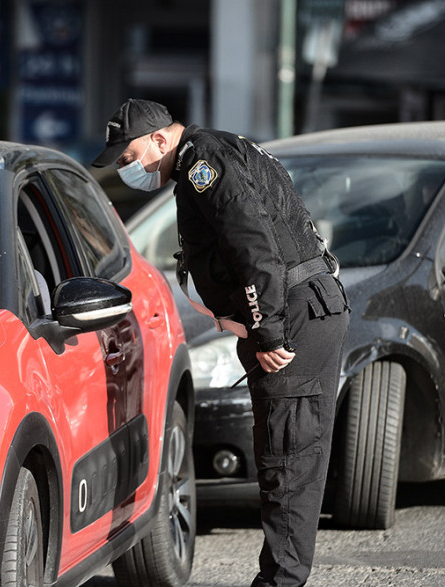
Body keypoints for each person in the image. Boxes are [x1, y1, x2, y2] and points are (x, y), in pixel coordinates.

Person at [92, 99, 350, 586]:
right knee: (288, 457)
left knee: (287, 461)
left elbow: (253, 245)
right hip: (299, 306)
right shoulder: (207, 154)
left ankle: (280, 581)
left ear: (161, 140)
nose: (128, 169)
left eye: (129, 158)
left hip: (292, 314)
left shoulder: (202, 163)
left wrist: (267, 327)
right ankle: (282, 578)